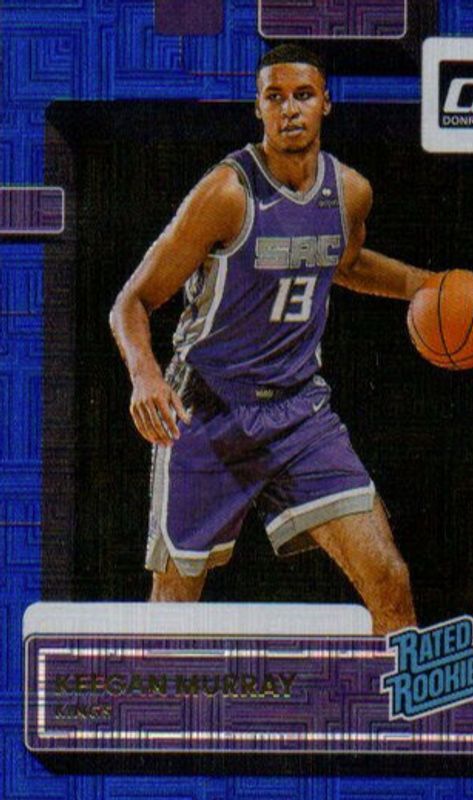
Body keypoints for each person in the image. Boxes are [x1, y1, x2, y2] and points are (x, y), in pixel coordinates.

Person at [110, 44, 432, 635]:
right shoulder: (226, 194)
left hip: (298, 412)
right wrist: (145, 375)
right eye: (274, 97)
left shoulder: (350, 191)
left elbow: (344, 262)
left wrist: (423, 284)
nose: (289, 109)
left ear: (326, 103)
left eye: (303, 95)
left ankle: (405, 699)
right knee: (173, 607)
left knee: (389, 577)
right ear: (258, 107)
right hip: (209, 410)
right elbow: (131, 301)